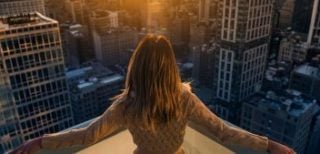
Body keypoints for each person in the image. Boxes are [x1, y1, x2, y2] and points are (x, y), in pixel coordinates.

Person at [9, 35, 295, 154]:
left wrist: (39, 142)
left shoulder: (126, 105)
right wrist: (270, 146)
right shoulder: (184, 99)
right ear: (170, 67)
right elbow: (224, 132)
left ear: (138, 66)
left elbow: (86, 136)